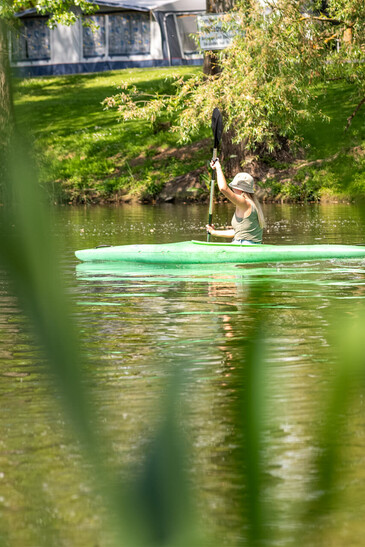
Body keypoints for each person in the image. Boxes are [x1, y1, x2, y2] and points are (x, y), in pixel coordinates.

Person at [206, 159, 265, 244]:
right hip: (246, 244)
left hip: (244, 246)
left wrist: (218, 167)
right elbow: (237, 233)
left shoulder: (245, 202)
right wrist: (214, 232)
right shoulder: (250, 203)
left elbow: (223, 188)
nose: (232, 189)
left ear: (239, 189)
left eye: (233, 187)